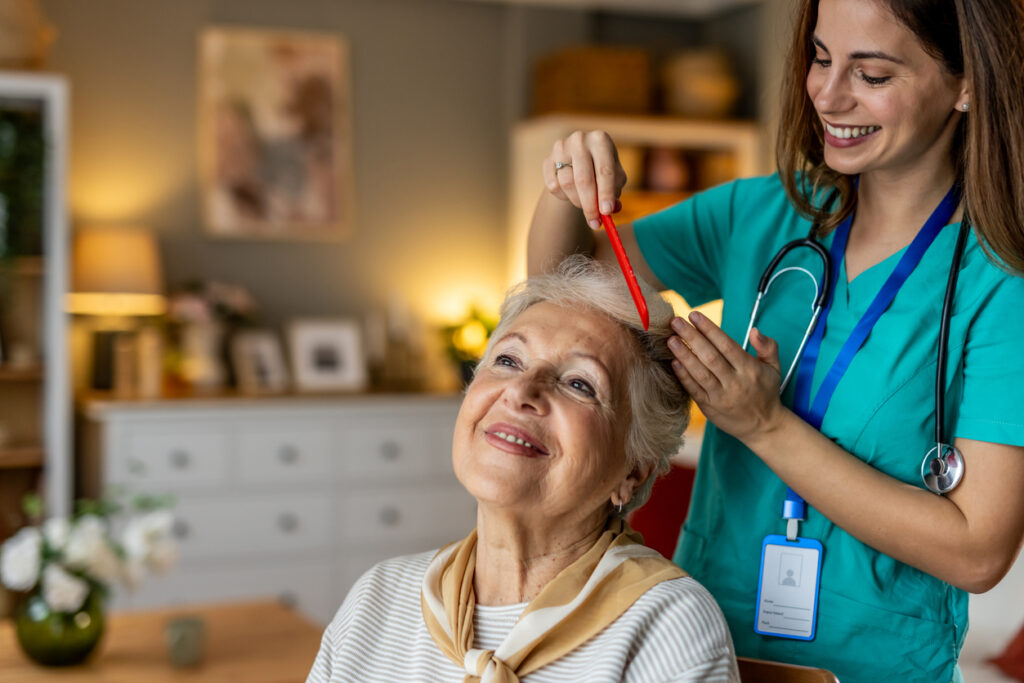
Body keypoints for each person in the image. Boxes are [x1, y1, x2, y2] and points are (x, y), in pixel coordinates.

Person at [526, 1, 1024, 681]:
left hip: (874, 669)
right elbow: (565, 288)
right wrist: (565, 185)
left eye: (871, 74)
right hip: (704, 650)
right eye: (821, 57)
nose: (827, 92)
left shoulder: (1001, 283)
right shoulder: (766, 212)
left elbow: (978, 551)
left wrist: (763, 424)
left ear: (967, 83)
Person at [306, 256, 739, 682]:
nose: (520, 391)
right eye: (509, 360)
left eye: (579, 384)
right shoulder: (378, 598)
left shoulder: (668, 627)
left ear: (635, 469)